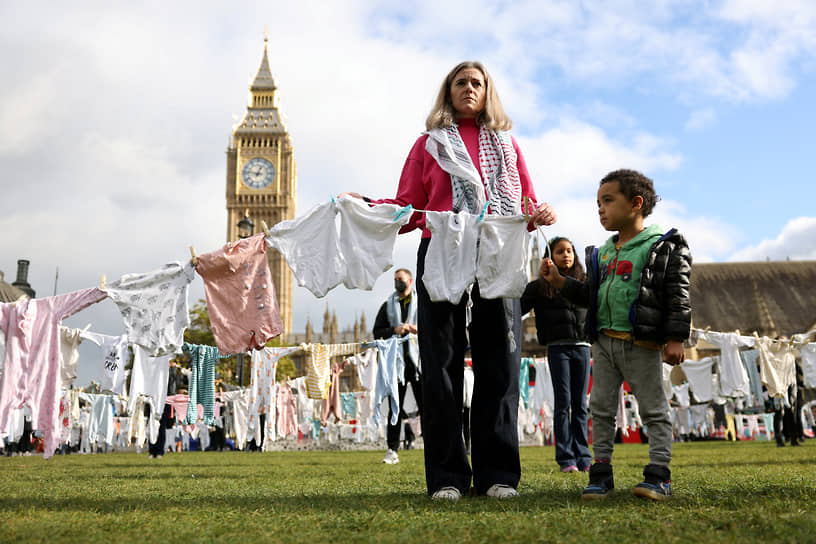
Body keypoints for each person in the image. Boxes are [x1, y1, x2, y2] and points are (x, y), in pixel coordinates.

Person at [343, 61, 556, 501]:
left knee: (500, 363)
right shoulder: (429, 146)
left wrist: (540, 213)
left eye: (477, 82)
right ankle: (447, 478)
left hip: (497, 253)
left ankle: (498, 474)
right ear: (448, 91)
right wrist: (364, 204)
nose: (469, 88)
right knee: (441, 363)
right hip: (441, 251)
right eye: (460, 82)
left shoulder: (507, 145)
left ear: (487, 92)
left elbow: (527, 205)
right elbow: (406, 207)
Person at [540, 169, 691, 502]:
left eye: (608, 201)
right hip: (603, 344)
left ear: (635, 203)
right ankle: (600, 474)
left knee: (653, 410)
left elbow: (677, 295)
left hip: (642, 344)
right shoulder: (602, 253)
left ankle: (658, 475)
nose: (600, 209)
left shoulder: (662, 246)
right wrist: (559, 282)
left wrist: (676, 337)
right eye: (598, 203)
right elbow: (590, 296)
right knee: (600, 409)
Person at [521, 236, 591, 473]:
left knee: (580, 404)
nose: (566, 255)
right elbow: (518, 307)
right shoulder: (540, 286)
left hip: (582, 346)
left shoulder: (584, 283)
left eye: (569, 250)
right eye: (560, 251)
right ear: (549, 257)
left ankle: (584, 456)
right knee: (563, 403)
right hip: (558, 347)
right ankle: (566, 458)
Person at [372, 268, 422, 465]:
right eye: (395, 280)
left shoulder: (422, 304)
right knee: (395, 408)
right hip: (397, 364)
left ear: (410, 281)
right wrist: (394, 329)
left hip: (418, 363)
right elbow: (377, 332)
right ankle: (392, 449)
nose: (397, 283)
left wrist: (415, 329)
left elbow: (432, 328)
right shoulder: (388, 306)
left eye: (400, 279)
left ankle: (435, 447)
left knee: (427, 405)